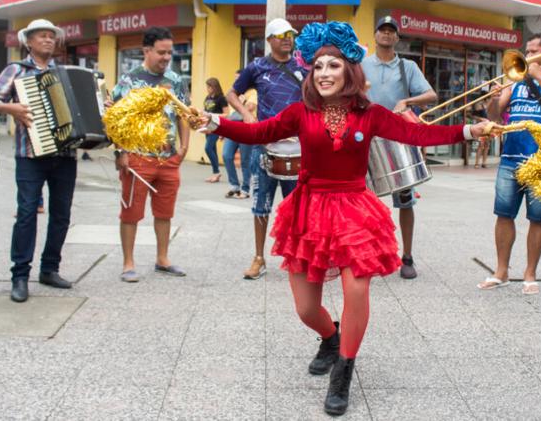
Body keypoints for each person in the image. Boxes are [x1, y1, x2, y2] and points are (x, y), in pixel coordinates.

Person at [191, 22, 492, 416]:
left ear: (348, 71)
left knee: (356, 291)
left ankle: (343, 371)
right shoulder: (300, 112)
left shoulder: (371, 114)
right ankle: (330, 337)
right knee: (305, 309)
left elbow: (418, 137)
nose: (325, 74)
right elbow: (260, 131)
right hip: (308, 210)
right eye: (318, 67)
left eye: (333, 66)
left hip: (354, 209)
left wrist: (471, 130)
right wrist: (214, 122)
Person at [0, 19, 77, 302]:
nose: (49, 40)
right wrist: (10, 107)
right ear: (29, 42)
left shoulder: (65, 73)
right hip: (30, 155)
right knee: (26, 214)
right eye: (42, 36)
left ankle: (50, 269)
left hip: (65, 155)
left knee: (61, 215)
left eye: (52, 36)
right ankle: (20, 275)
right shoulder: (16, 69)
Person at [480, 33, 541, 294]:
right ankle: (501, 271)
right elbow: (495, 114)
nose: (529, 55)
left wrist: (540, 77)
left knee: (538, 218)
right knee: (503, 214)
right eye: (528, 51)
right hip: (511, 157)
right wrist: (492, 97)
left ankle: (530, 273)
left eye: (535, 51)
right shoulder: (516, 81)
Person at [226, 18, 307, 280]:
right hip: (264, 147)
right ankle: (259, 258)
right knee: (261, 204)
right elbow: (231, 94)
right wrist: (246, 116)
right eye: (281, 34)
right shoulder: (257, 66)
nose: (287, 38)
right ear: (270, 39)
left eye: (290, 34)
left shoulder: (303, 66)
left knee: (296, 207)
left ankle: (296, 255)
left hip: (297, 148)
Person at [360, 16, 438, 279]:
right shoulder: (360, 65)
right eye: (382, 29)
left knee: (405, 202)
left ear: (396, 37)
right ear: (375, 35)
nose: (386, 34)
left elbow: (431, 95)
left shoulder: (407, 66)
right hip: (365, 139)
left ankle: (407, 256)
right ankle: (367, 254)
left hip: (397, 140)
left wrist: (407, 100)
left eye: (391, 31)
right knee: (363, 201)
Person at [112, 26, 190, 283]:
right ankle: (128, 263)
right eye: (161, 52)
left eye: (170, 53)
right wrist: (121, 151)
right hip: (137, 157)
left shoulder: (176, 80)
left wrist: (184, 148)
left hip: (168, 158)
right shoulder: (129, 80)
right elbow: (115, 118)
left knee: (165, 212)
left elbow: (183, 113)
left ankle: (163, 259)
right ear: (146, 50)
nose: (167, 58)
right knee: (131, 212)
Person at [223, 73, 256, 199]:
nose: (236, 81)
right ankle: (234, 186)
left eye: (239, 79)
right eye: (235, 79)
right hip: (232, 128)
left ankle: (245, 189)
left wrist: (239, 103)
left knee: (245, 160)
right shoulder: (233, 94)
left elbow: (250, 107)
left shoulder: (252, 92)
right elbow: (231, 114)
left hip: (246, 128)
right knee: (226, 155)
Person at [202, 77, 229, 183]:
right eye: (207, 86)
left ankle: (217, 172)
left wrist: (211, 115)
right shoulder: (207, 98)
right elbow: (205, 110)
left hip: (216, 125)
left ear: (214, 87)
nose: (207, 88)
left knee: (208, 148)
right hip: (207, 125)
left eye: (209, 86)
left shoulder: (221, 98)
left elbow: (226, 114)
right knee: (212, 148)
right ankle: (215, 173)